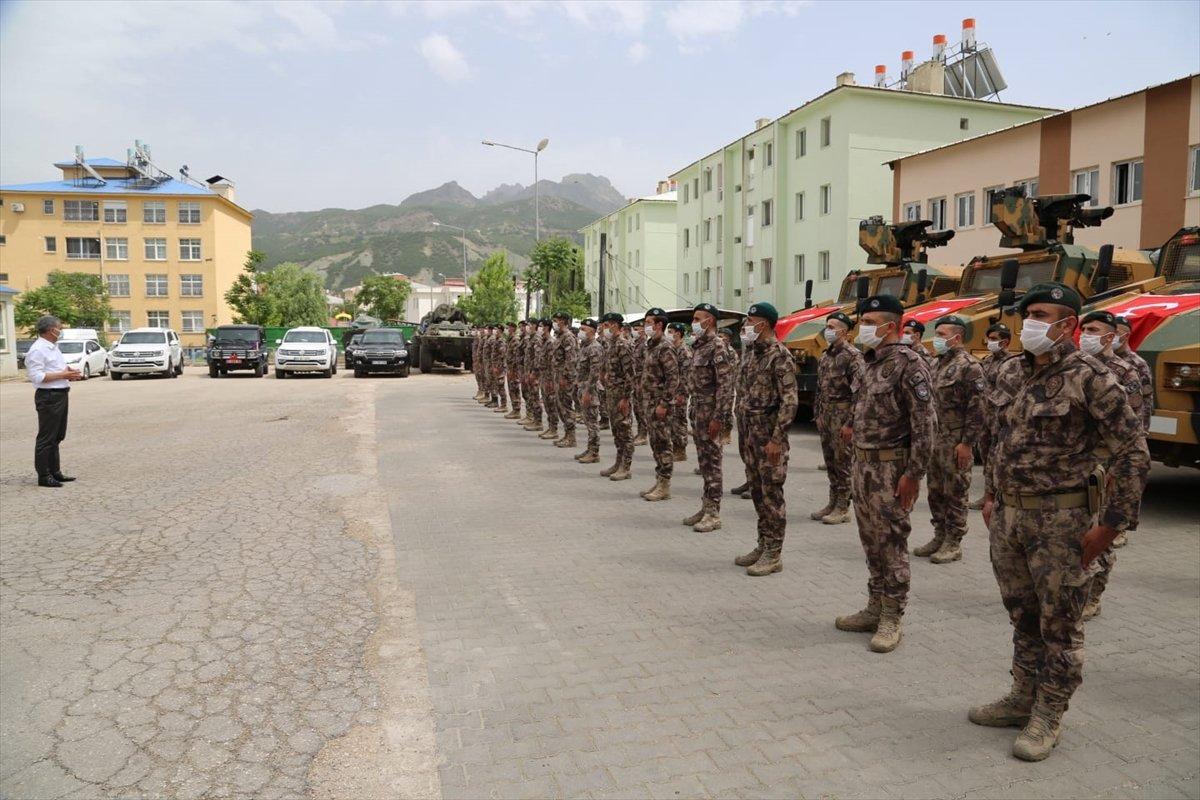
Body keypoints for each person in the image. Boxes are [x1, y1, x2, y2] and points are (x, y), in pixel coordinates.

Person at [972, 283, 1148, 762]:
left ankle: (1049, 712)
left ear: (1067, 324)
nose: (1027, 321)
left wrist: (1111, 525)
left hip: (1062, 520)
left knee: (1061, 622)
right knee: (1023, 614)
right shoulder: (1011, 371)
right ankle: (1021, 696)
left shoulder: (1092, 377)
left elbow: (1132, 453)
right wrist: (990, 495)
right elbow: (999, 437)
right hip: (1009, 516)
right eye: (1026, 312)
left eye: (1039, 313)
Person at [835, 294, 935, 654]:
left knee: (892, 543)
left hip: (892, 468)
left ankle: (892, 615)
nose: (864, 327)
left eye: (870, 321)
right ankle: (874, 605)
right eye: (863, 320)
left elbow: (925, 425)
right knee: (870, 541)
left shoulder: (911, 365)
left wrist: (914, 474)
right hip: (864, 466)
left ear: (891, 326)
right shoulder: (869, 362)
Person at [1076, 310, 1149, 621]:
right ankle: (1077, 588)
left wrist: (1121, 474)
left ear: (1109, 335)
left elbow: (1136, 426)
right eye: (1083, 329)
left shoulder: (1125, 371)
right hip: (1079, 463)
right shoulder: (1076, 367)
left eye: (1092, 330)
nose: (1085, 336)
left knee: (1100, 532)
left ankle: (1094, 594)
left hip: (1108, 463)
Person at [913, 315, 985, 565]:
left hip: (956, 440)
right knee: (935, 491)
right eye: (938, 333)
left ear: (958, 337)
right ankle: (939, 535)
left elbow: (977, 409)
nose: (938, 339)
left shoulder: (970, 366)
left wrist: (967, 443)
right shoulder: (935, 363)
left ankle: (954, 542)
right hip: (935, 439)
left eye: (943, 334)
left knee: (956, 492)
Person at [734, 303, 799, 576]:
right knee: (758, 493)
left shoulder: (779, 356)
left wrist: (776, 439)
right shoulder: (750, 353)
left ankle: (774, 552)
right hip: (749, 434)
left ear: (765, 324)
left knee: (772, 494)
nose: (746, 325)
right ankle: (763, 544)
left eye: (751, 320)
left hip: (769, 438)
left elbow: (789, 401)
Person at [681, 304, 734, 533]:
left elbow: (725, 386)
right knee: (704, 462)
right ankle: (705, 506)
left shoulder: (717, 346)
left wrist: (719, 418)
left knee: (713, 463)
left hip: (711, 413)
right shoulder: (700, 346)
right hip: (698, 411)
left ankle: (714, 513)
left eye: (696, 318)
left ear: (709, 320)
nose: (693, 322)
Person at [812, 311, 863, 525]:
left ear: (844, 331)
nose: (828, 330)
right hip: (826, 414)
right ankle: (832, 501)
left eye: (832, 327)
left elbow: (859, 393)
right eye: (827, 326)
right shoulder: (826, 355)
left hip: (843, 416)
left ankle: (843, 506)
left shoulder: (853, 356)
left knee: (843, 462)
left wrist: (850, 423)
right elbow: (820, 388)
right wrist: (817, 414)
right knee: (831, 461)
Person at [24, 315, 83, 487]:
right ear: (51, 330)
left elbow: (54, 369)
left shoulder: (52, 347)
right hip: (49, 396)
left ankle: (55, 472)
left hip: (60, 394)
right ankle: (44, 475)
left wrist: (67, 372)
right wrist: (62, 375)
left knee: (57, 436)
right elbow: (36, 377)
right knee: (46, 437)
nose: (61, 330)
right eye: (60, 327)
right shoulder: (38, 349)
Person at [970, 323, 1017, 509]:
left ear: (1005, 342)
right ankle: (987, 494)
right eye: (989, 338)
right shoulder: (987, 361)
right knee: (986, 456)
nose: (990, 342)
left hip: (1000, 420)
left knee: (999, 458)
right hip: (985, 419)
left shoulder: (1012, 363)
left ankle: (999, 495)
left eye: (995, 339)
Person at [639, 308, 680, 501]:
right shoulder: (651, 345)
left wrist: (664, 404)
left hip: (660, 404)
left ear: (659, 325)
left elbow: (673, 378)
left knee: (663, 443)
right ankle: (659, 480)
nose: (645, 326)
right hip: (649, 403)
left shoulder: (665, 347)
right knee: (655, 443)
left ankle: (665, 485)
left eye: (648, 323)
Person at [599, 313, 636, 481]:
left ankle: (625, 467)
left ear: (617, 326)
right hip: (611, 393)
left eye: (609, 324)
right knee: (616, 430)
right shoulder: (610, 344)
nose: (606, 327)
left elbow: (630, 374)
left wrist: (626, 398)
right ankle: (618, 462)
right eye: (605, 324)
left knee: (625, 431)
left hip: (621, 395)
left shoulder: (623, 345)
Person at [575, 319, 603, 464]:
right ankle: (590, 448)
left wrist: (588, 391)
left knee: (592, 422)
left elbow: (595, 372)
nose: (581, 331)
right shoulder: (585, 346)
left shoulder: (594, 347)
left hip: (589, 389)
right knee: (587, 420)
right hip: (583, 387)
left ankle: (594, 452)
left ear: (592, 331)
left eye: (584, 329)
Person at [550, 312, 580, 449]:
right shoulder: (560, 337)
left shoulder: (568, 337)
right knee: (560, 405)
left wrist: (565, 377)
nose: (554, 323)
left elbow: (571, 360)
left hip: (565, 378)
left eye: (556, 320)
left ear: (564, 321)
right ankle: (567, 435)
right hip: (558, 376)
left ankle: (571, 437)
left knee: (566, 407)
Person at [667, 322, 691, 462]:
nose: (669, 334)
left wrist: (682, 393)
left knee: (679, 421)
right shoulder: (671, 349)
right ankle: (675, 447)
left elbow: (686, 375)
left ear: (679, 333)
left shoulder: (684, 351)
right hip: (671, 391)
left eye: (671, 331)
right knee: (672, 420)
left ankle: (681, 450)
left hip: (680, 392)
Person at [537, 319, 560, 440]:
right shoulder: (544, 342)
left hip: (549, 378)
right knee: (547, 403)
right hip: (544, 377)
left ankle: (554, 429)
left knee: (551, 404)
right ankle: (550, 427)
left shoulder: (551, 342)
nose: (539, 328)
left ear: (547, 328)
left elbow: (552, 364)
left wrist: (551, 381)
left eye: (541, 326)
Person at [522, 320, 544, 432]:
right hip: (529, 372)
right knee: (530, 396)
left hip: (534, 373)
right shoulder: (531, 338)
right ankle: (533, 418)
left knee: (535, 397)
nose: (528, 327)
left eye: (530, 325)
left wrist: (534, 373)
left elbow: (537, 358)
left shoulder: (537, 339)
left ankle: (538, 421)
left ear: (534, 326)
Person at [631, 323, 649, 446]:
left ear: (642, 331)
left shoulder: (645, 345)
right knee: (637, 409)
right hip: (635, 380)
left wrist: (642, 382)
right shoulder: (635, 343)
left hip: (641, 382)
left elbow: (647, 365)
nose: (634, 331)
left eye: (636, 329)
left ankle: (643, 434)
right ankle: (639, 432)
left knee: (642, 409)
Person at [503, 322, 523, 419]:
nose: (507, 329)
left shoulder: (515, 340)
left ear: (513, 329)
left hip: (514, 370)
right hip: (510, 368)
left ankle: (517, 410)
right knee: (511, 389)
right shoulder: (510, 339)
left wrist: (514, 371)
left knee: (515, 389)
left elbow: (516, 356)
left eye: (508, 328)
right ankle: (514, 409)